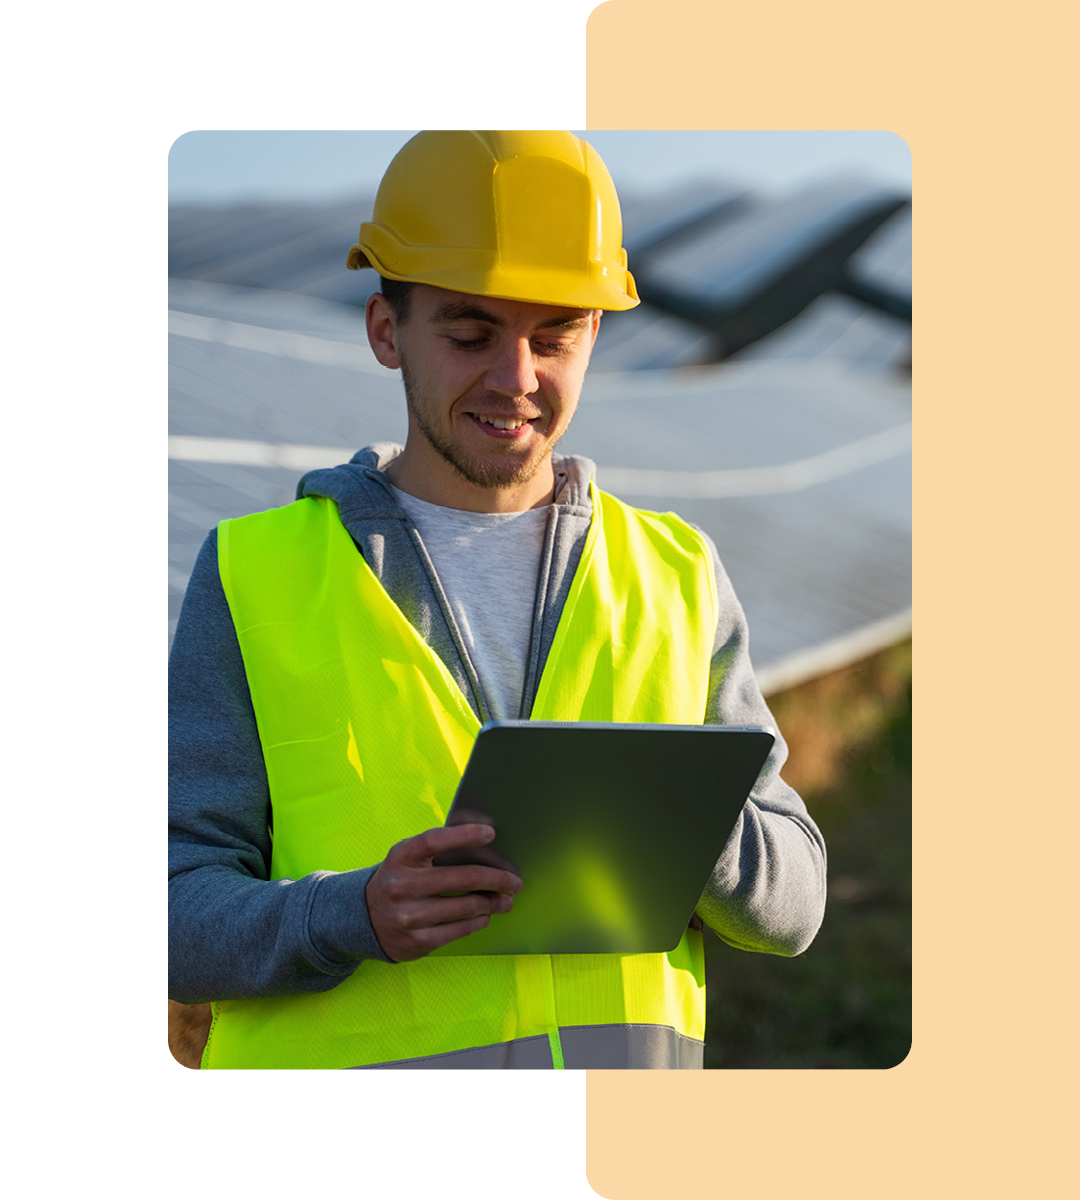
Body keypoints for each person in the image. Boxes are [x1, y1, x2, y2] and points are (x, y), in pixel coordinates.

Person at [167, 130, 827, 1071]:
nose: (515, 378)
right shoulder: (252, 573)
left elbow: (795, 908)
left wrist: (693, 828)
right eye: (470, 333)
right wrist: (347, 914)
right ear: (386, 331)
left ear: (593, 335)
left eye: (552, 335)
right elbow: (168, 911)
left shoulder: (676, 573)